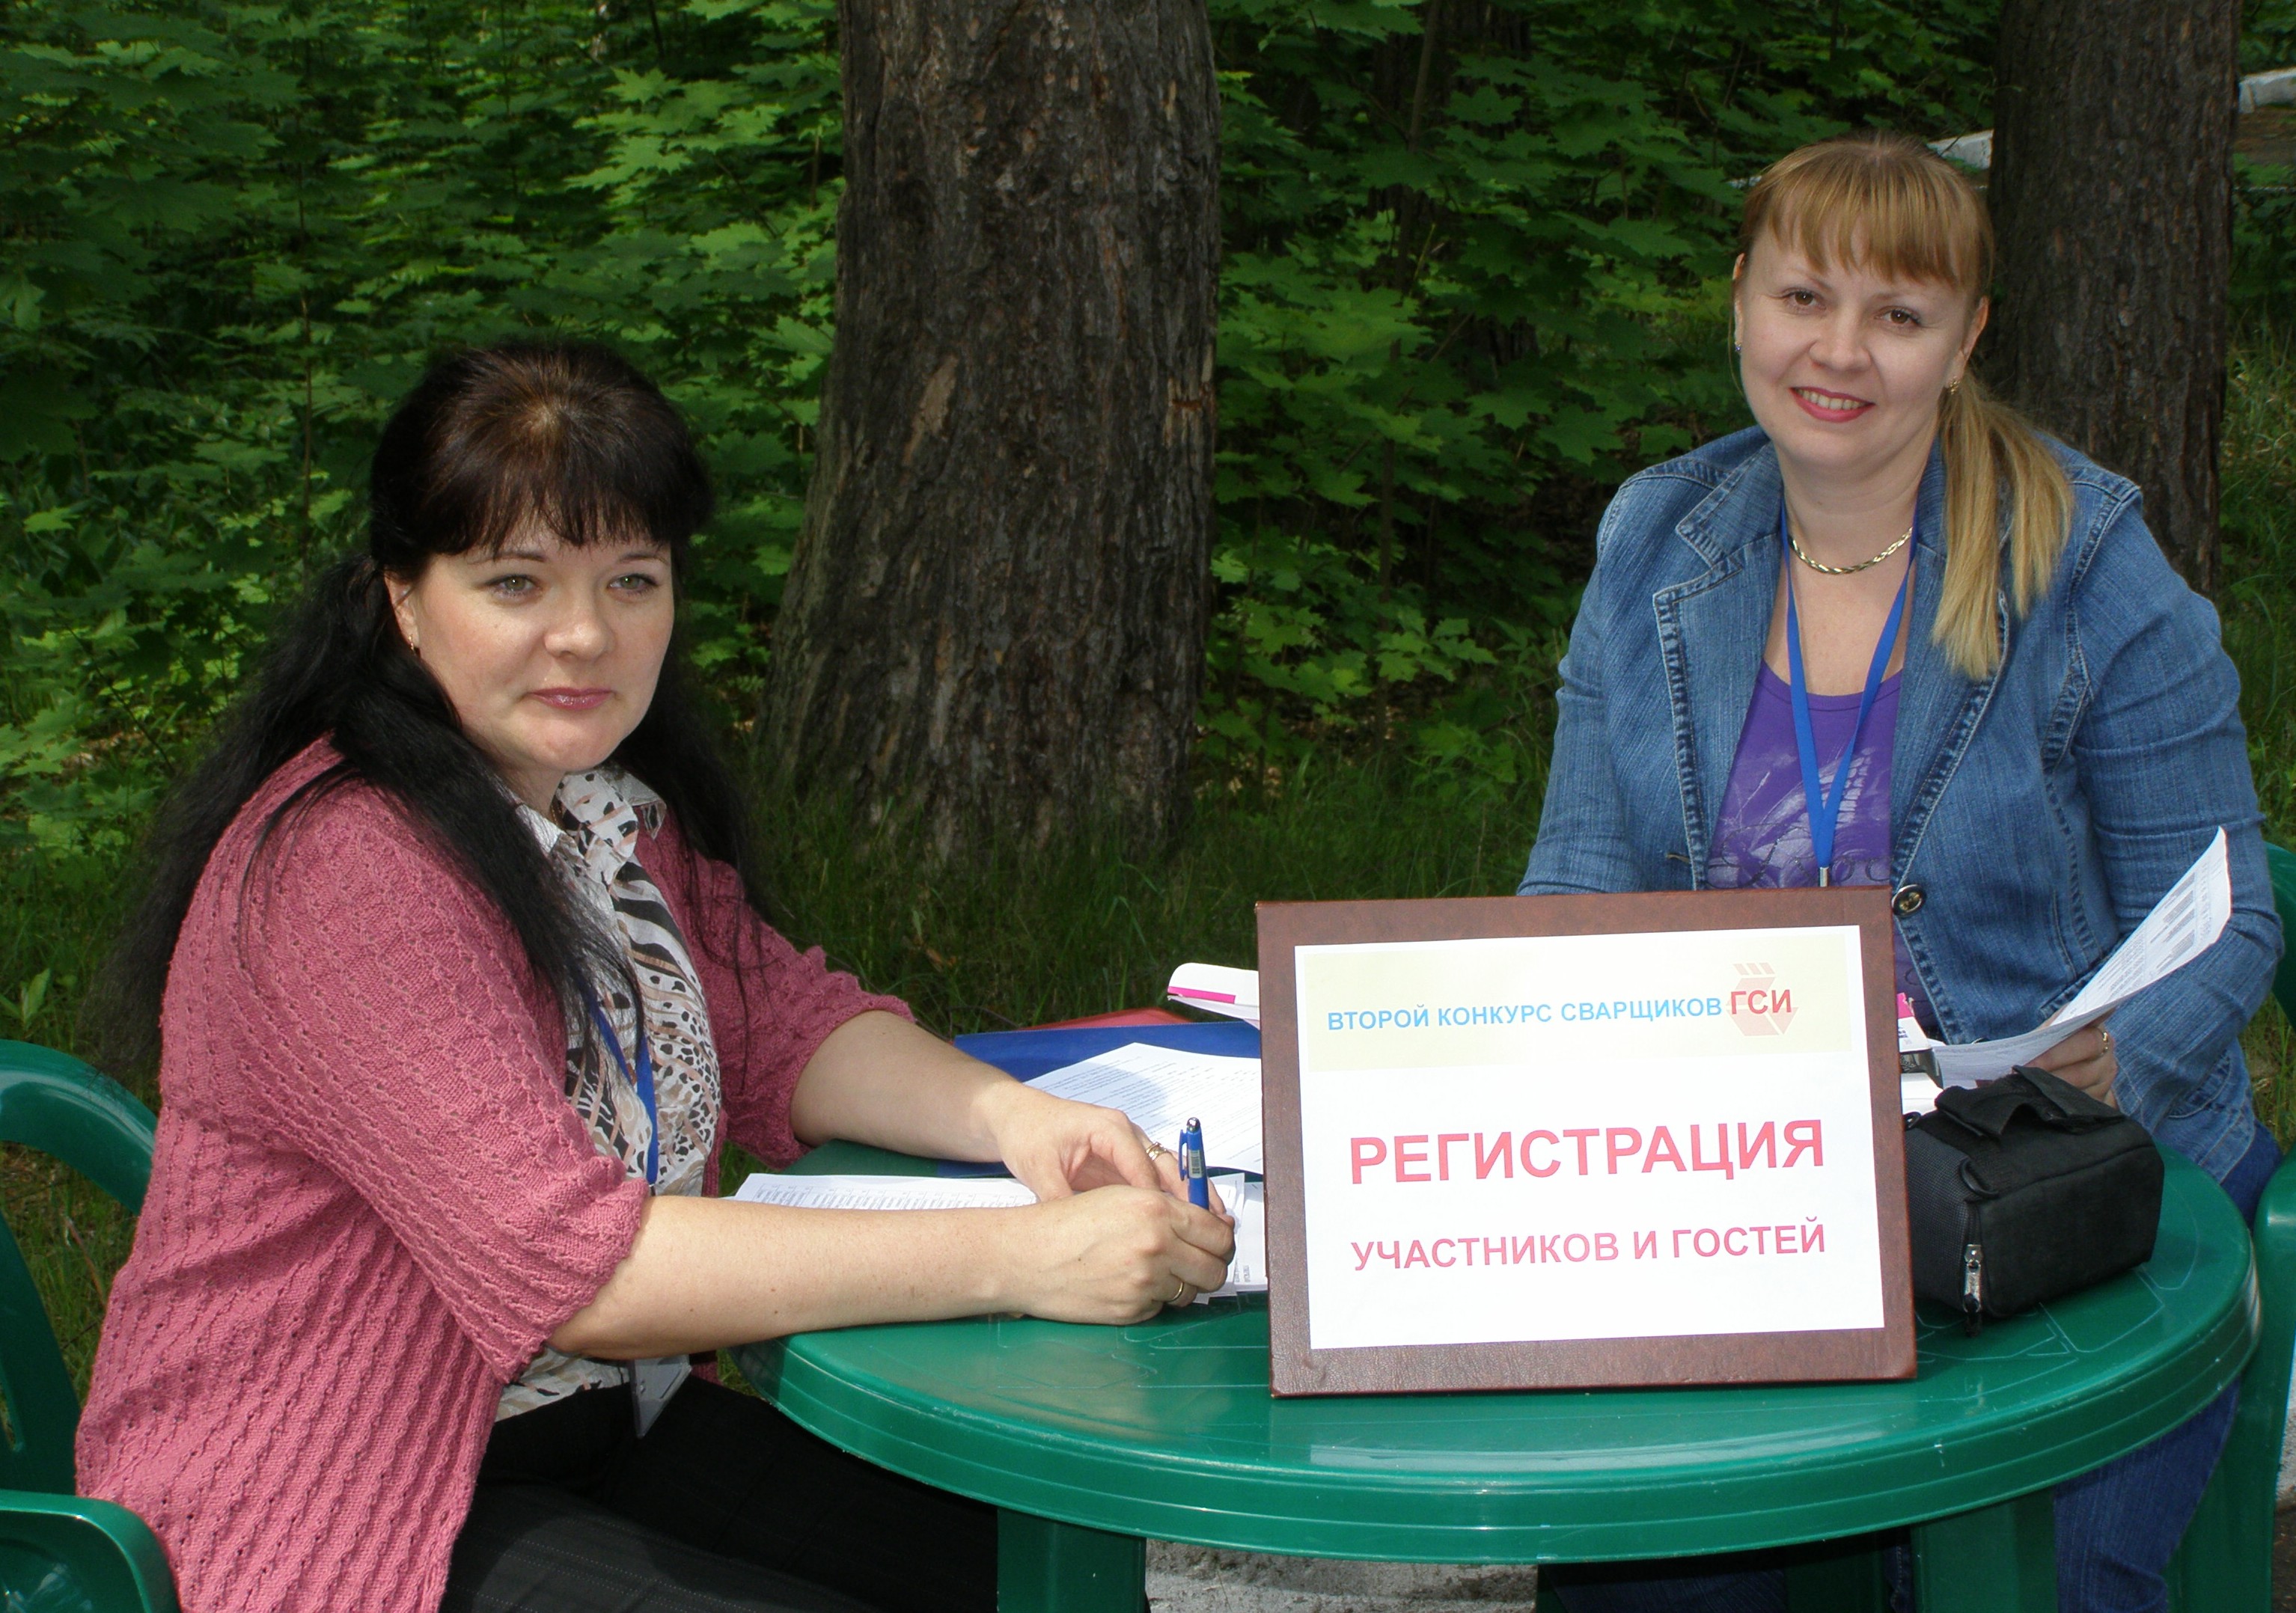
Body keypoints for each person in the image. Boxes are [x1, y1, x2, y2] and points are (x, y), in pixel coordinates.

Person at [76, 341, 1236, 1613]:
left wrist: (1021, 1121)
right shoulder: (345, 871)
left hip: (602, 1434)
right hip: (332, 1508)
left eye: (632, 579)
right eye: (515, 583)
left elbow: (783, 1023)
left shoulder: (599, 810)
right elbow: (587, 1275)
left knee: (1050, 1581)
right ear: (403, 598)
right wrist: (1025, 1256)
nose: (586, 634)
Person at [1518, 132, 2283, 1613]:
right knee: (1639, 1573)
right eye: (1804, 297)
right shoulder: (1653, 539)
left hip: (2074, 1198)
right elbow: (1576, 883)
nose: (1840, 352)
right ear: (1739, 301)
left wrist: (2112, 1062)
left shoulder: (2086, 562)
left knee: (2028, 1582)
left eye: (1899, 314)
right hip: (1754, 1196)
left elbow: (2230, 912)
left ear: (1967, 337)